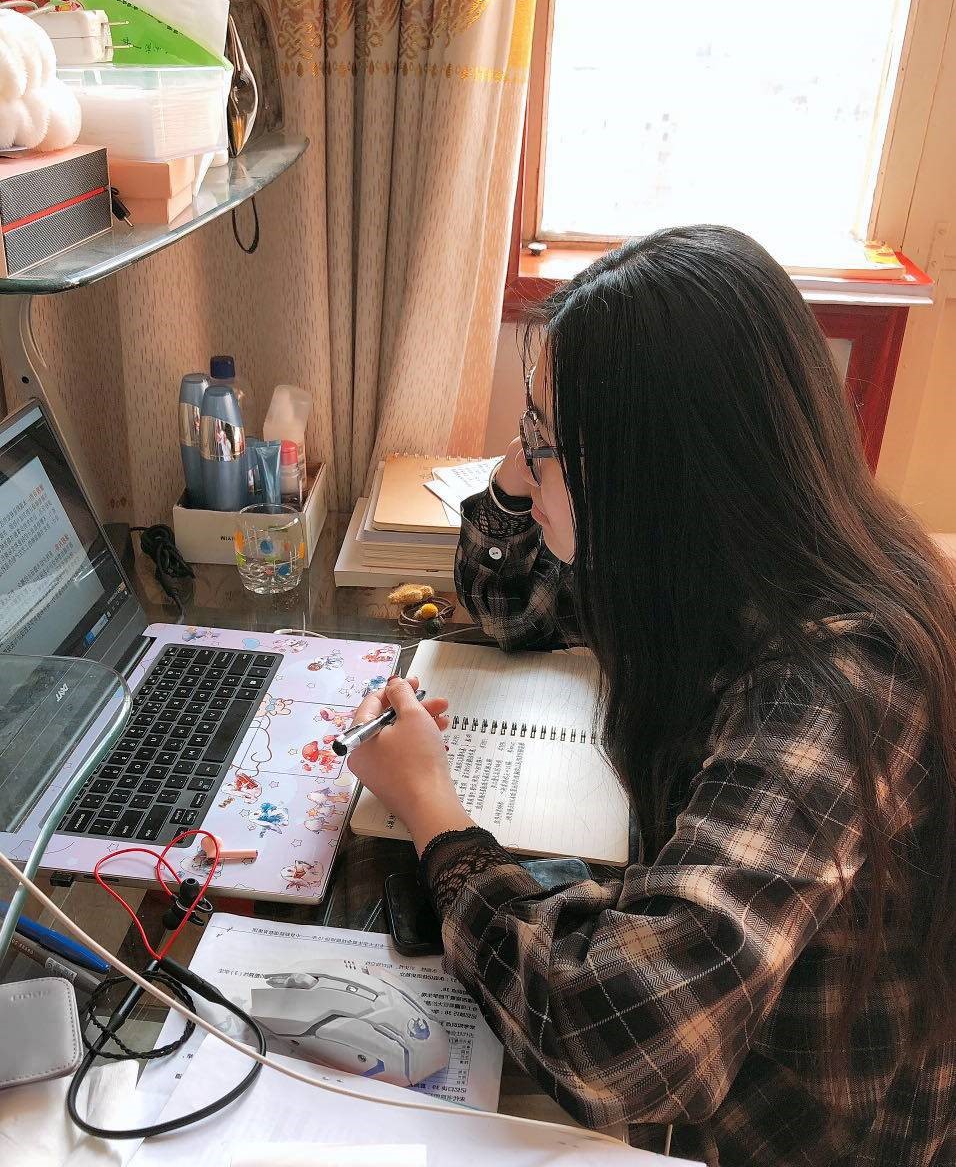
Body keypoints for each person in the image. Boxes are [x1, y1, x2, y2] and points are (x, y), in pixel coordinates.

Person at [348, 226, 956, 1165]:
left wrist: (433, 813)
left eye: (546, 446)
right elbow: (509, 600)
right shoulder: (719, 563)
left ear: (652, 474)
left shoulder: (838, 687)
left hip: (791, 1134)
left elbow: (628, 1043)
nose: (526, 462)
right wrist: (539, 447)